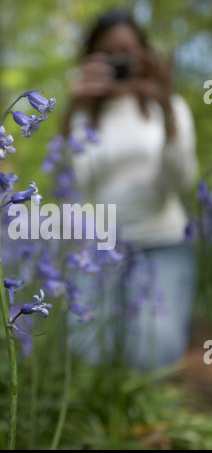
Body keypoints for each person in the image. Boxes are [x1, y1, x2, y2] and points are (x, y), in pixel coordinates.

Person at [64, 9, 198, 371]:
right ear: (90, 60)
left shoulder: (167, 109)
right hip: (100, 247)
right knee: (88, 352)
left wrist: (167, 105)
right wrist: (71, 107)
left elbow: (181, 180)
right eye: (106, 54)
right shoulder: (83, 117)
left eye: (126, 51)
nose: (117, 62)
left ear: (145, 55)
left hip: (162, 244)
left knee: (152, 350)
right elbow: (70, 183)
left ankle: (145, 417)